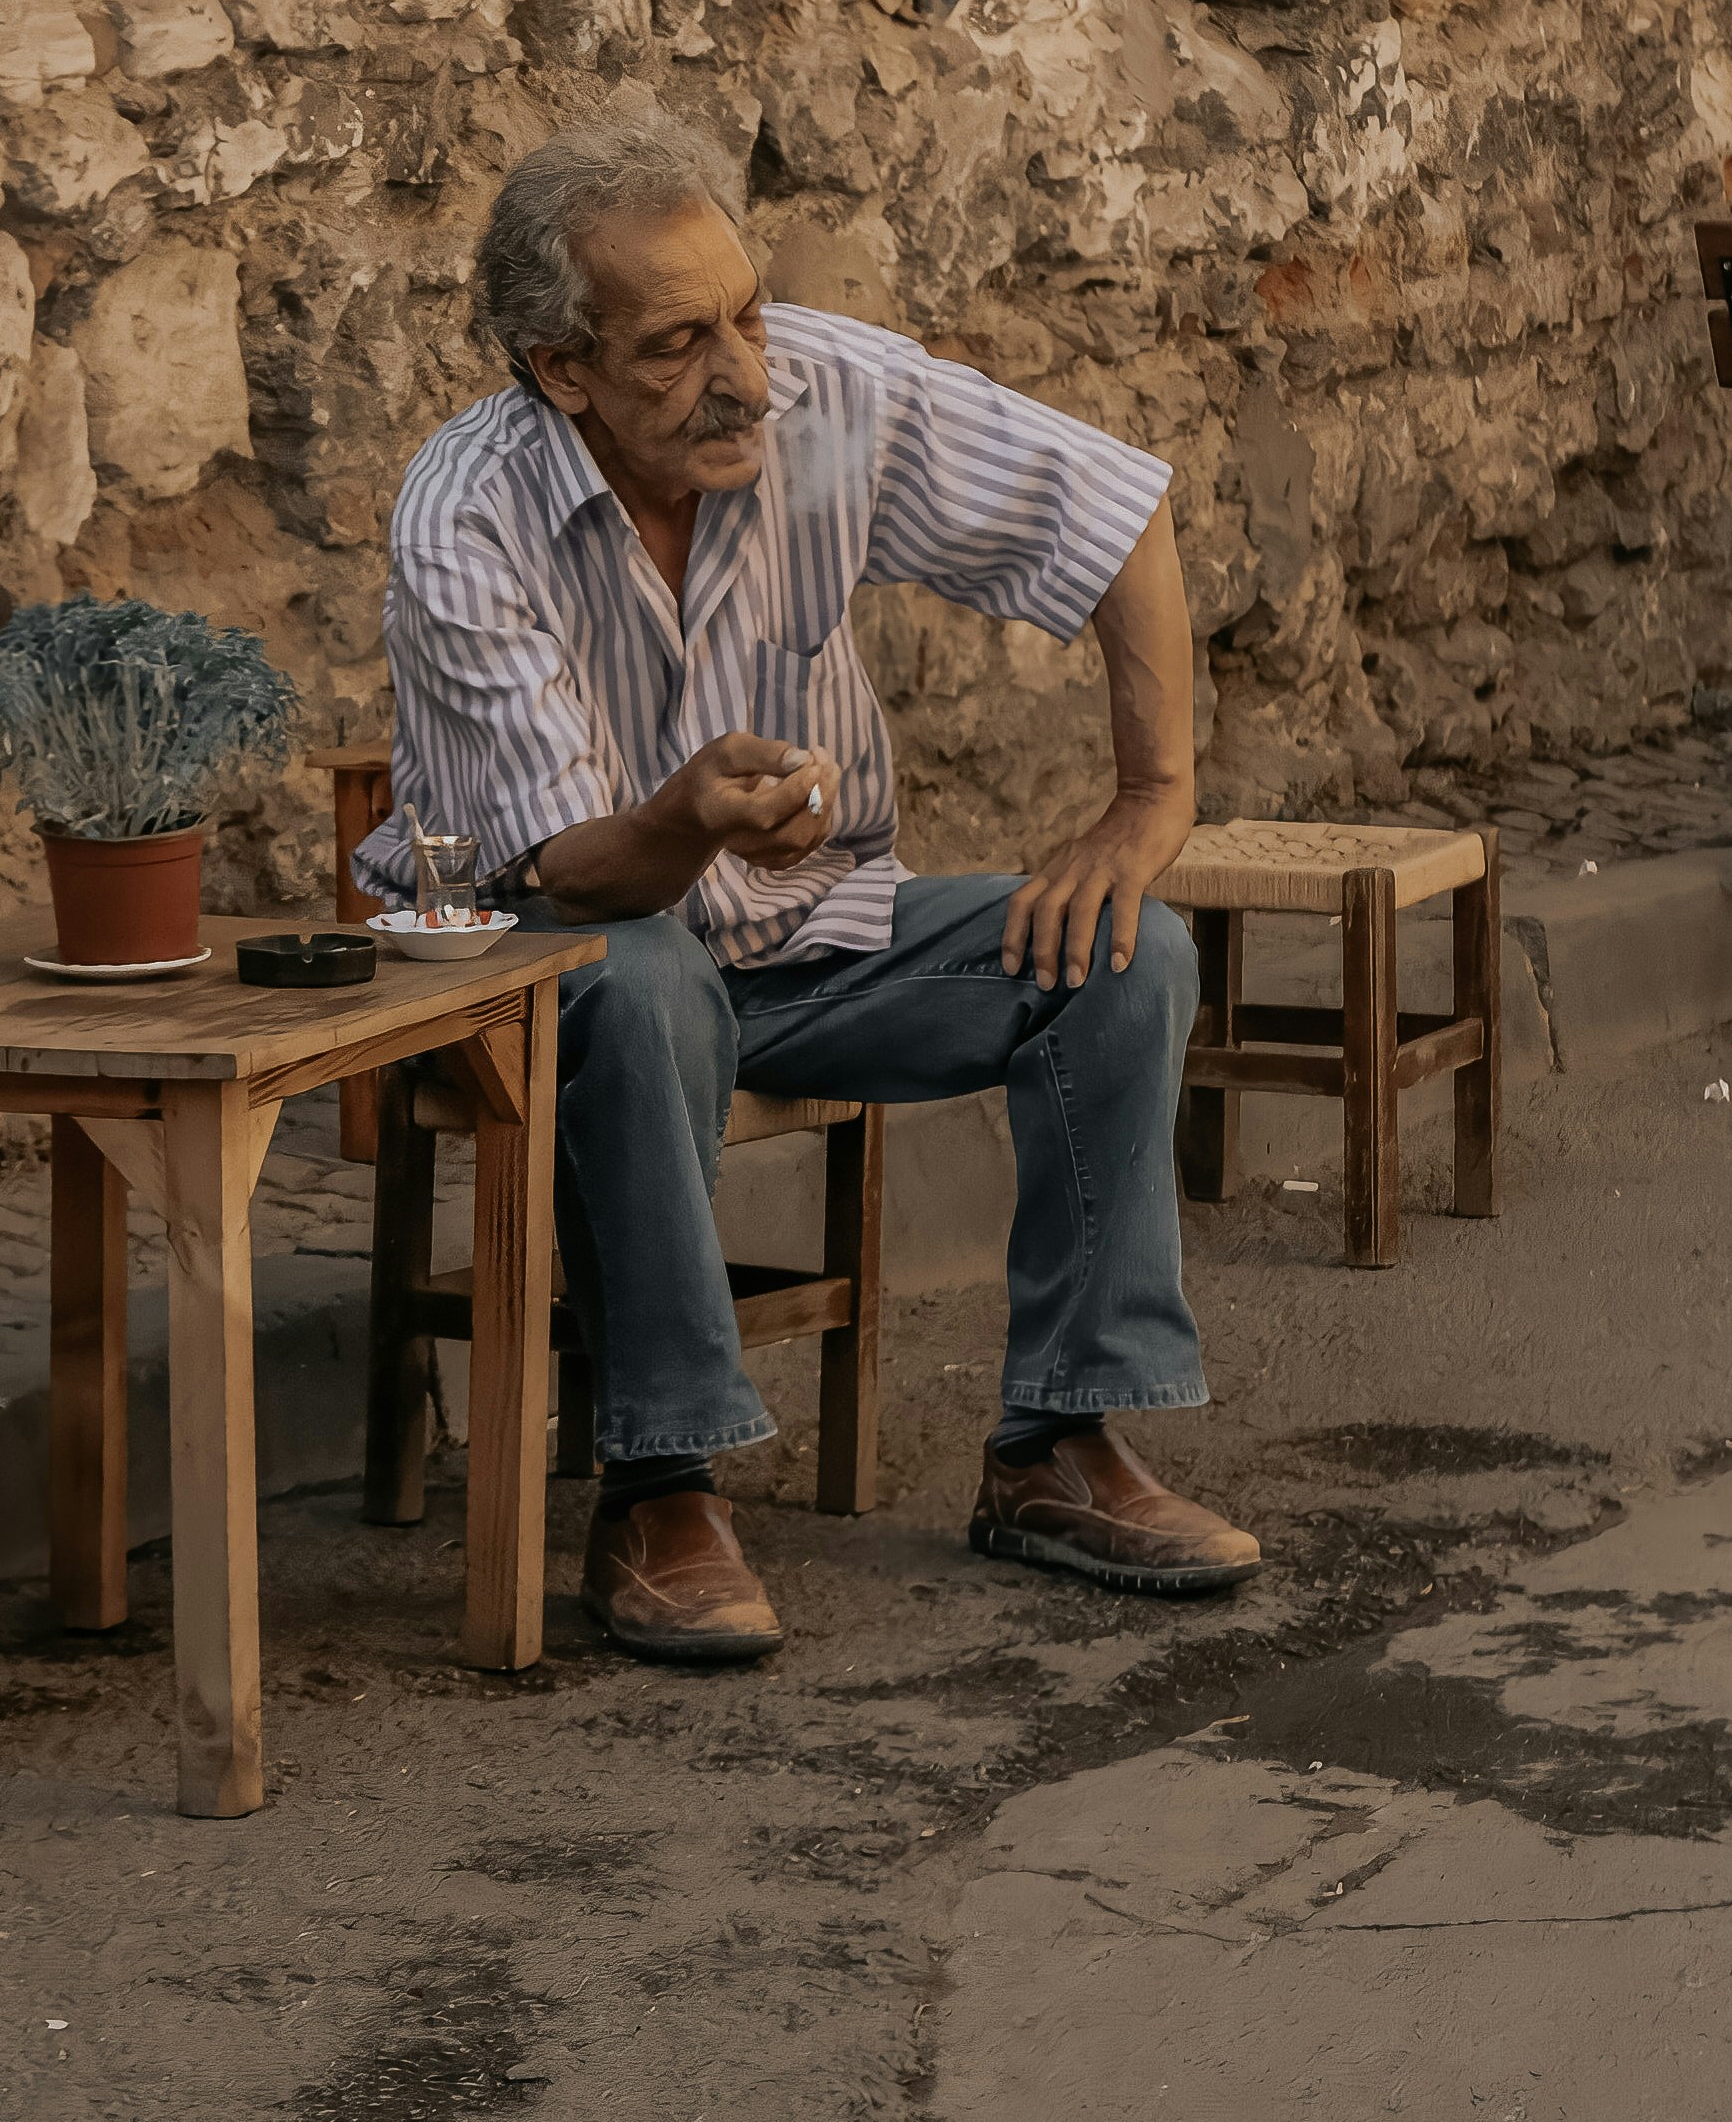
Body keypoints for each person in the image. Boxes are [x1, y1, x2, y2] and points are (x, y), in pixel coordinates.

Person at [356, 106, 1259, 1662]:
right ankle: (657, 1484)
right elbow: (574, 867)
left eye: (747, 315)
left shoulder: (829, 396)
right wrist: (695, 819)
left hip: (803, 935)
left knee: (1125, 954)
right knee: (632, 982)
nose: (742, 376)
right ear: (556, 368)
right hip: (540, 957)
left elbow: (1115, 514)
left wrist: (1146, 801)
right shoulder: (465, 516)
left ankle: (1060, 1445)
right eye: (674, 343)